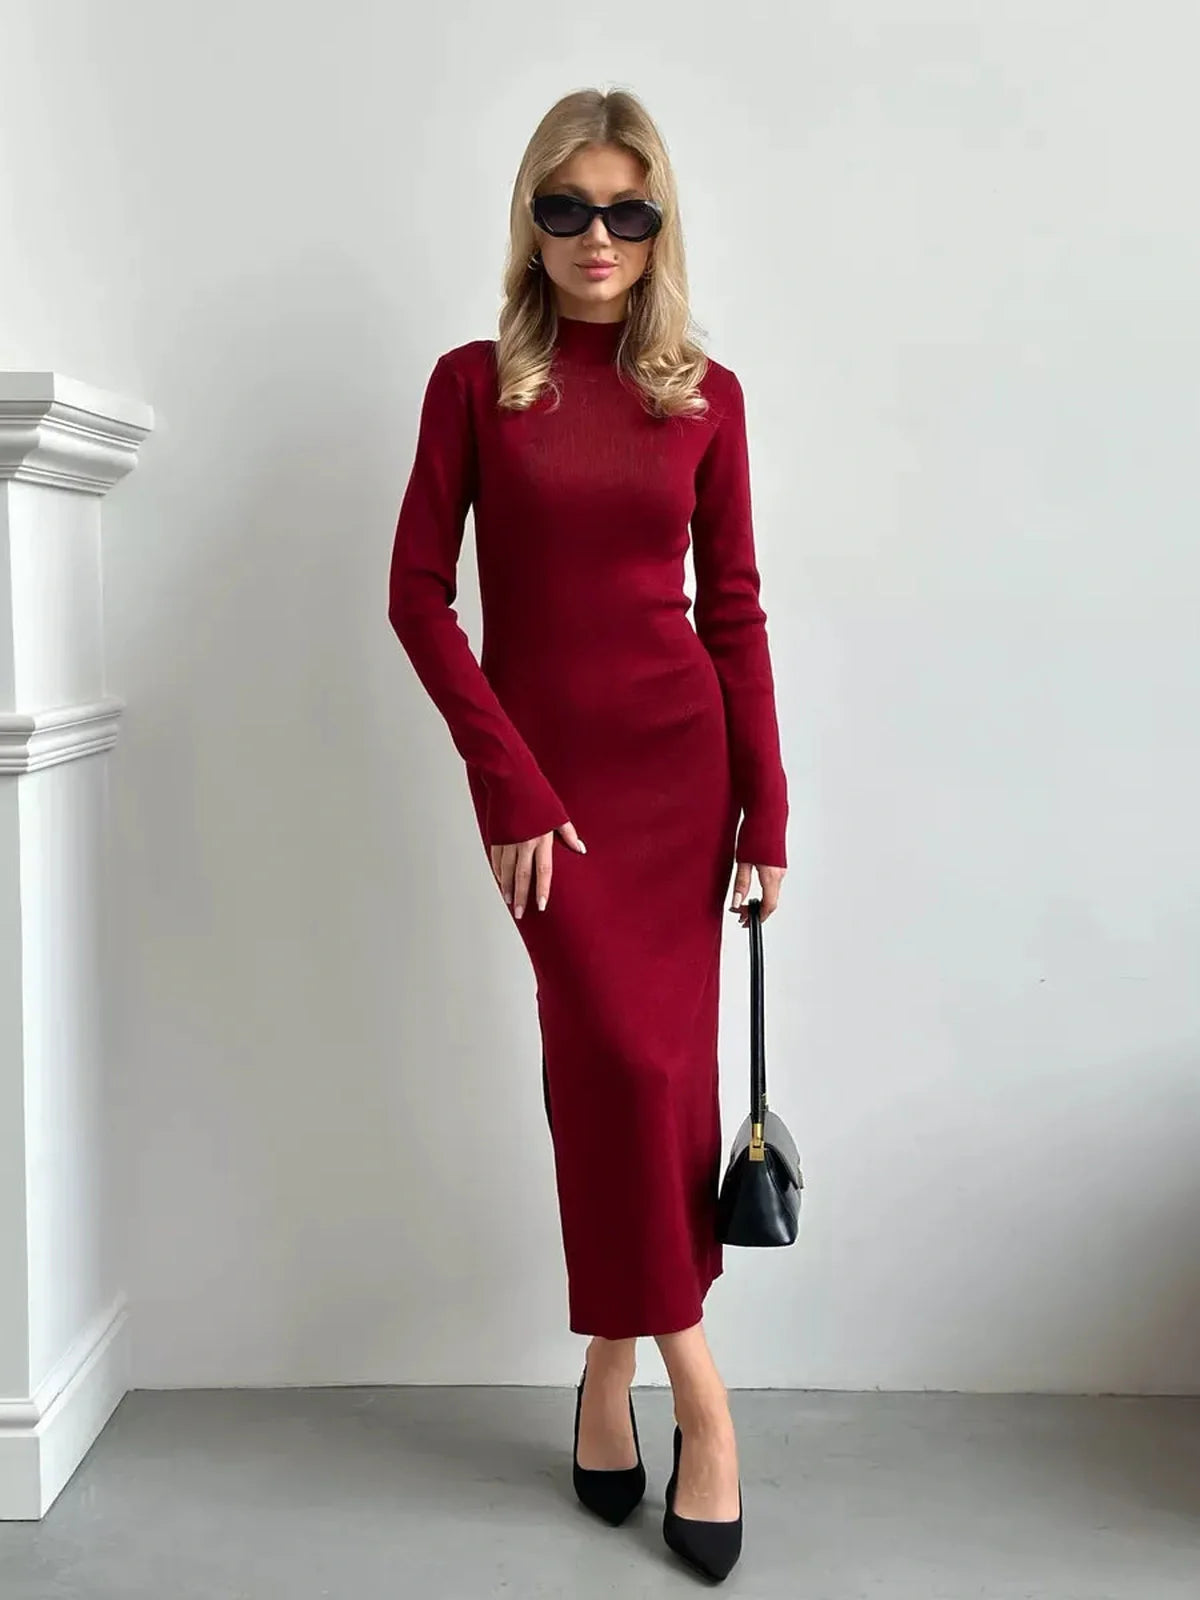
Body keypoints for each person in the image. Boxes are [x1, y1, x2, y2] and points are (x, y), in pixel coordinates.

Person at [387, 85, 788, 1584]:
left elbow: (733, 613)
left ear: (659, 223)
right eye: (567, 208)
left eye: (627, 210)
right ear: (530, 219)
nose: (597, 237)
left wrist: (768, 808)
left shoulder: (706, 395)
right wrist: (509, 781)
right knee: (612, 1066)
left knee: (654, 1084)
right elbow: (417, 597)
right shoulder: (473, 386)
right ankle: (705, 1397)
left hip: (684, 779)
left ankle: (612, 1372)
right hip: (544, 792)